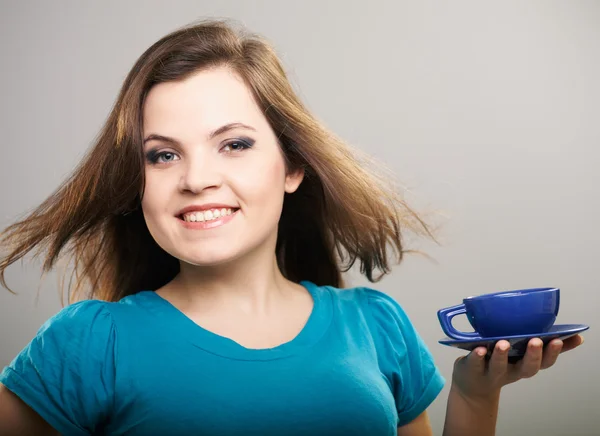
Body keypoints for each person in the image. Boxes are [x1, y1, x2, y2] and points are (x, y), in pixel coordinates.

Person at [0, 19, 583, 436]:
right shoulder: (88, 344)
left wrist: (475, 395)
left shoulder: (376, 326)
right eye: (162, 155)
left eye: (234, 144)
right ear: (137, 182)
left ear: (293, 166)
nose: (197, 178)